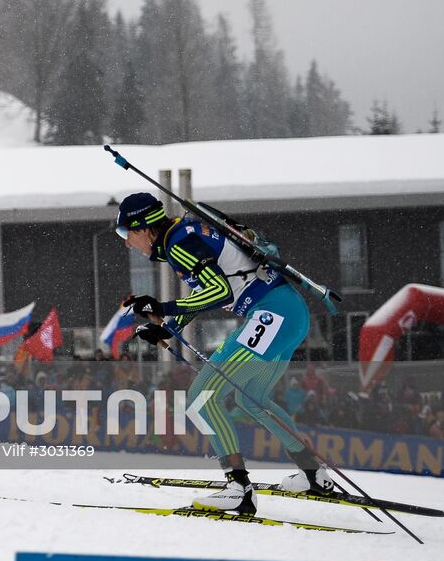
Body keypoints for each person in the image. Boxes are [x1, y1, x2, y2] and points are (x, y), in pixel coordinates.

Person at [115, 191, 326, 513]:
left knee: (202, 398)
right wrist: (166, 326)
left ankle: (238, 488)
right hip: (290, 313)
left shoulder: (177, 244)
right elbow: (205, 292)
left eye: (125, 234)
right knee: (251, 399)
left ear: (143, 228)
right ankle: (314, 475)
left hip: (271, 315)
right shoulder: (183, 235)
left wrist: (162, 306)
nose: (127, 244)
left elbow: (219, 291)